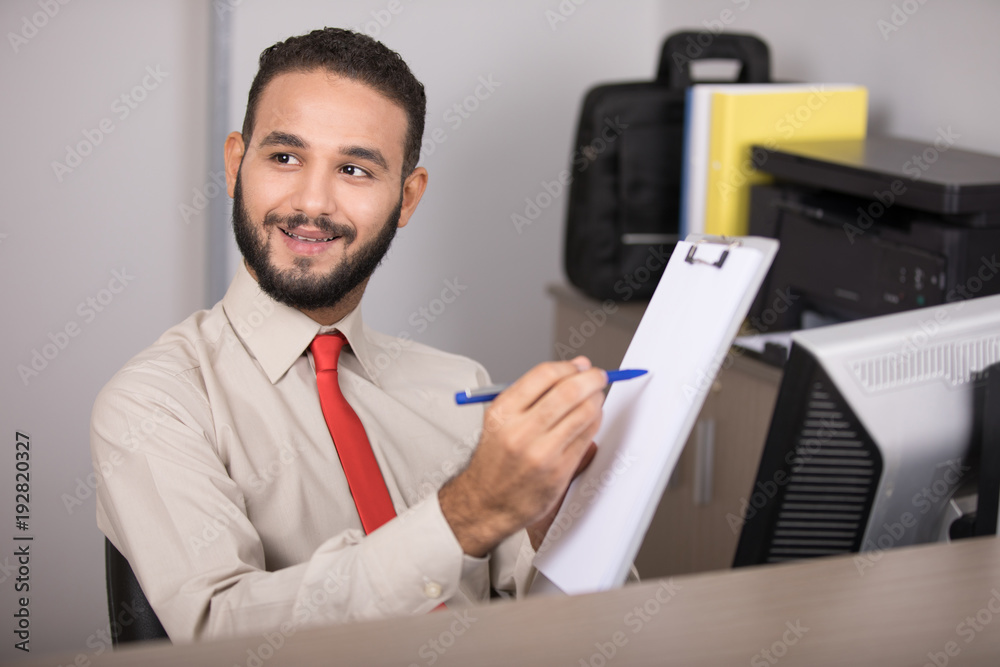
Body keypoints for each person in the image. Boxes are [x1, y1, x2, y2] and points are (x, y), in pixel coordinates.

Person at [90, 27, 607, 643]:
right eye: (284, 157)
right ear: (236, 164)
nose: (313, 202)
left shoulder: (462, 389)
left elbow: (568, 626)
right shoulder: (156, 402)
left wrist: (564, 526)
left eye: (355, 169)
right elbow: (220, 634)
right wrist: (465, 517)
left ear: (407, 198)